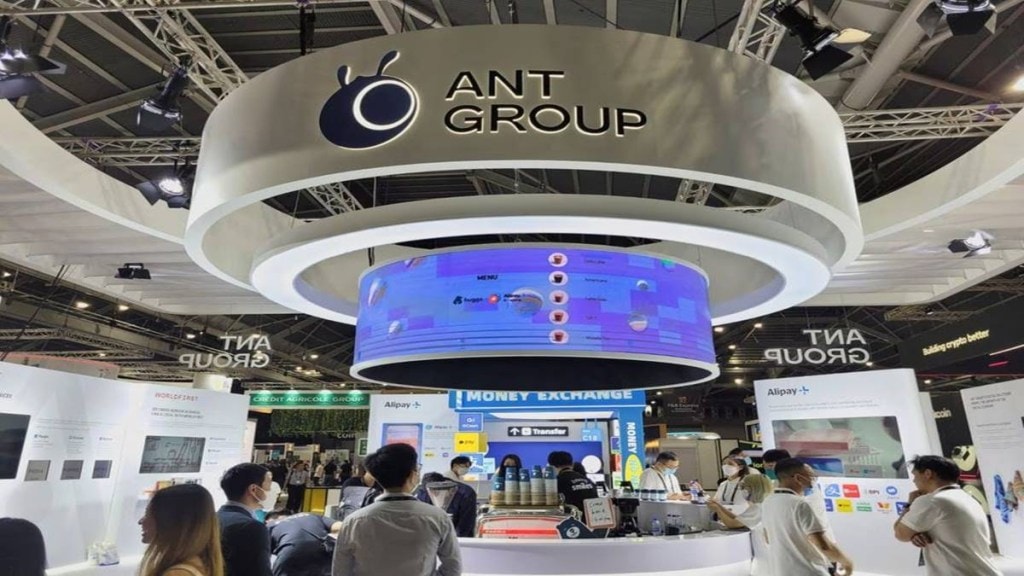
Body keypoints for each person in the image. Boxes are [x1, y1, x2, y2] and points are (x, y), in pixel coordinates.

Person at [333, 443, 461, 576]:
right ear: (412, 475)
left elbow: (340, 571)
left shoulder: (353, 521)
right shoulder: (437, 517)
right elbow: (453, 568)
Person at [893, 455, 1002, 576]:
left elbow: (901, 534)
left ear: (928, 474)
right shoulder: (967, 498)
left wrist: (909, 504)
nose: (914, 481)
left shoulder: (932, 501)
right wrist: (918, 533)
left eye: (915, 475)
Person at [762, 458, 853, 576]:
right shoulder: (800, 504)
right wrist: (847, 563)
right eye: (810, 476)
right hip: (808, 570)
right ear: (798, 478)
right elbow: (823, 545)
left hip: (781, 570)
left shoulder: (768, 502)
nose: (812, 480)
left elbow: (767, 538)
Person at [139, 484, 225, 576]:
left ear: (169, 522)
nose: (140, 521)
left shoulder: (177, 573)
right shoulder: (196, 564)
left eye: (148, 514)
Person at [709, 475, 775, 576]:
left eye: (744, 487)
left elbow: (733, 524)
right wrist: (720, 507)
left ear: (753, 489)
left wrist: (718, 510)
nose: (742, 490)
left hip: (764, 555)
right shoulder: (763, 505)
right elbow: (739, 519)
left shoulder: (757, 508)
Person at [218, 463, 274, 576]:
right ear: (253, 489)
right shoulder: (252, 527)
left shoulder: (212, 518)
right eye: (268, 484)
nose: (271, 489)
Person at [267, 511, 342, 576]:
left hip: (291, 553)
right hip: (324, 551)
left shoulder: (270, 525)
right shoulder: (311, 515)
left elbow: (262, 553)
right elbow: (340, 526)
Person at [416, 471, 478, 538]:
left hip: (460, 535)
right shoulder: (423, 492)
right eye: (431, 491)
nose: (434, 494)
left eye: (436, 491)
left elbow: (465, 525)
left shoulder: (466, 493)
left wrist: (453, 540)